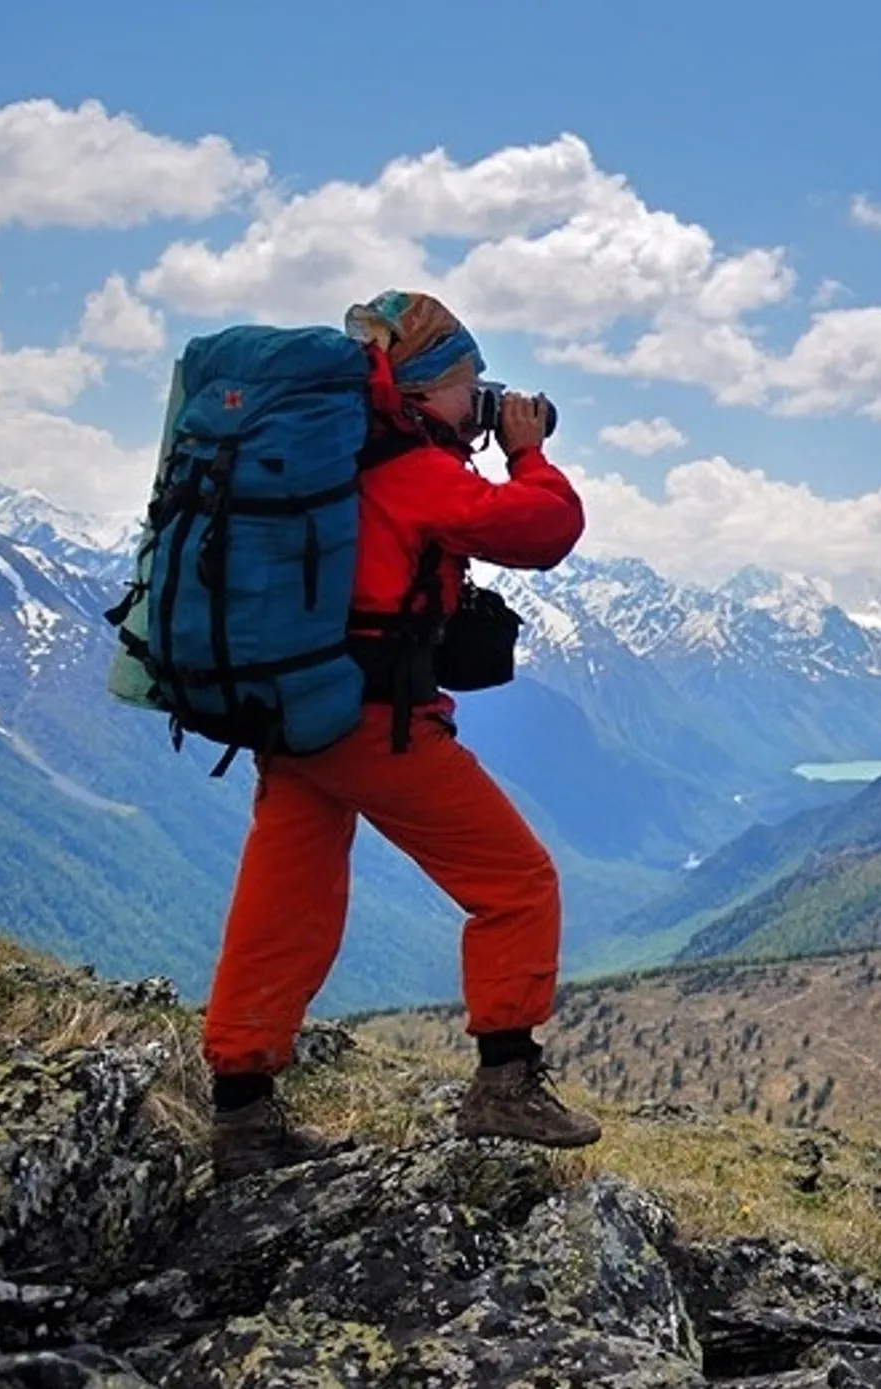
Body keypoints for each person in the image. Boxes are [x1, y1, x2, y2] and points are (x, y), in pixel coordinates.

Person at [202, 290, 601, 1181]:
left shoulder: (334, 461)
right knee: (516, 880)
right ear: (423, 389)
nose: (483, 403)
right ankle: (505, 1077)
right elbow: (545, 529)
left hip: (296, 707)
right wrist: (529, 454)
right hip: (375, 722)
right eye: (470, 385)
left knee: (284, 901)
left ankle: (242, 1114)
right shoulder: (413, 471)